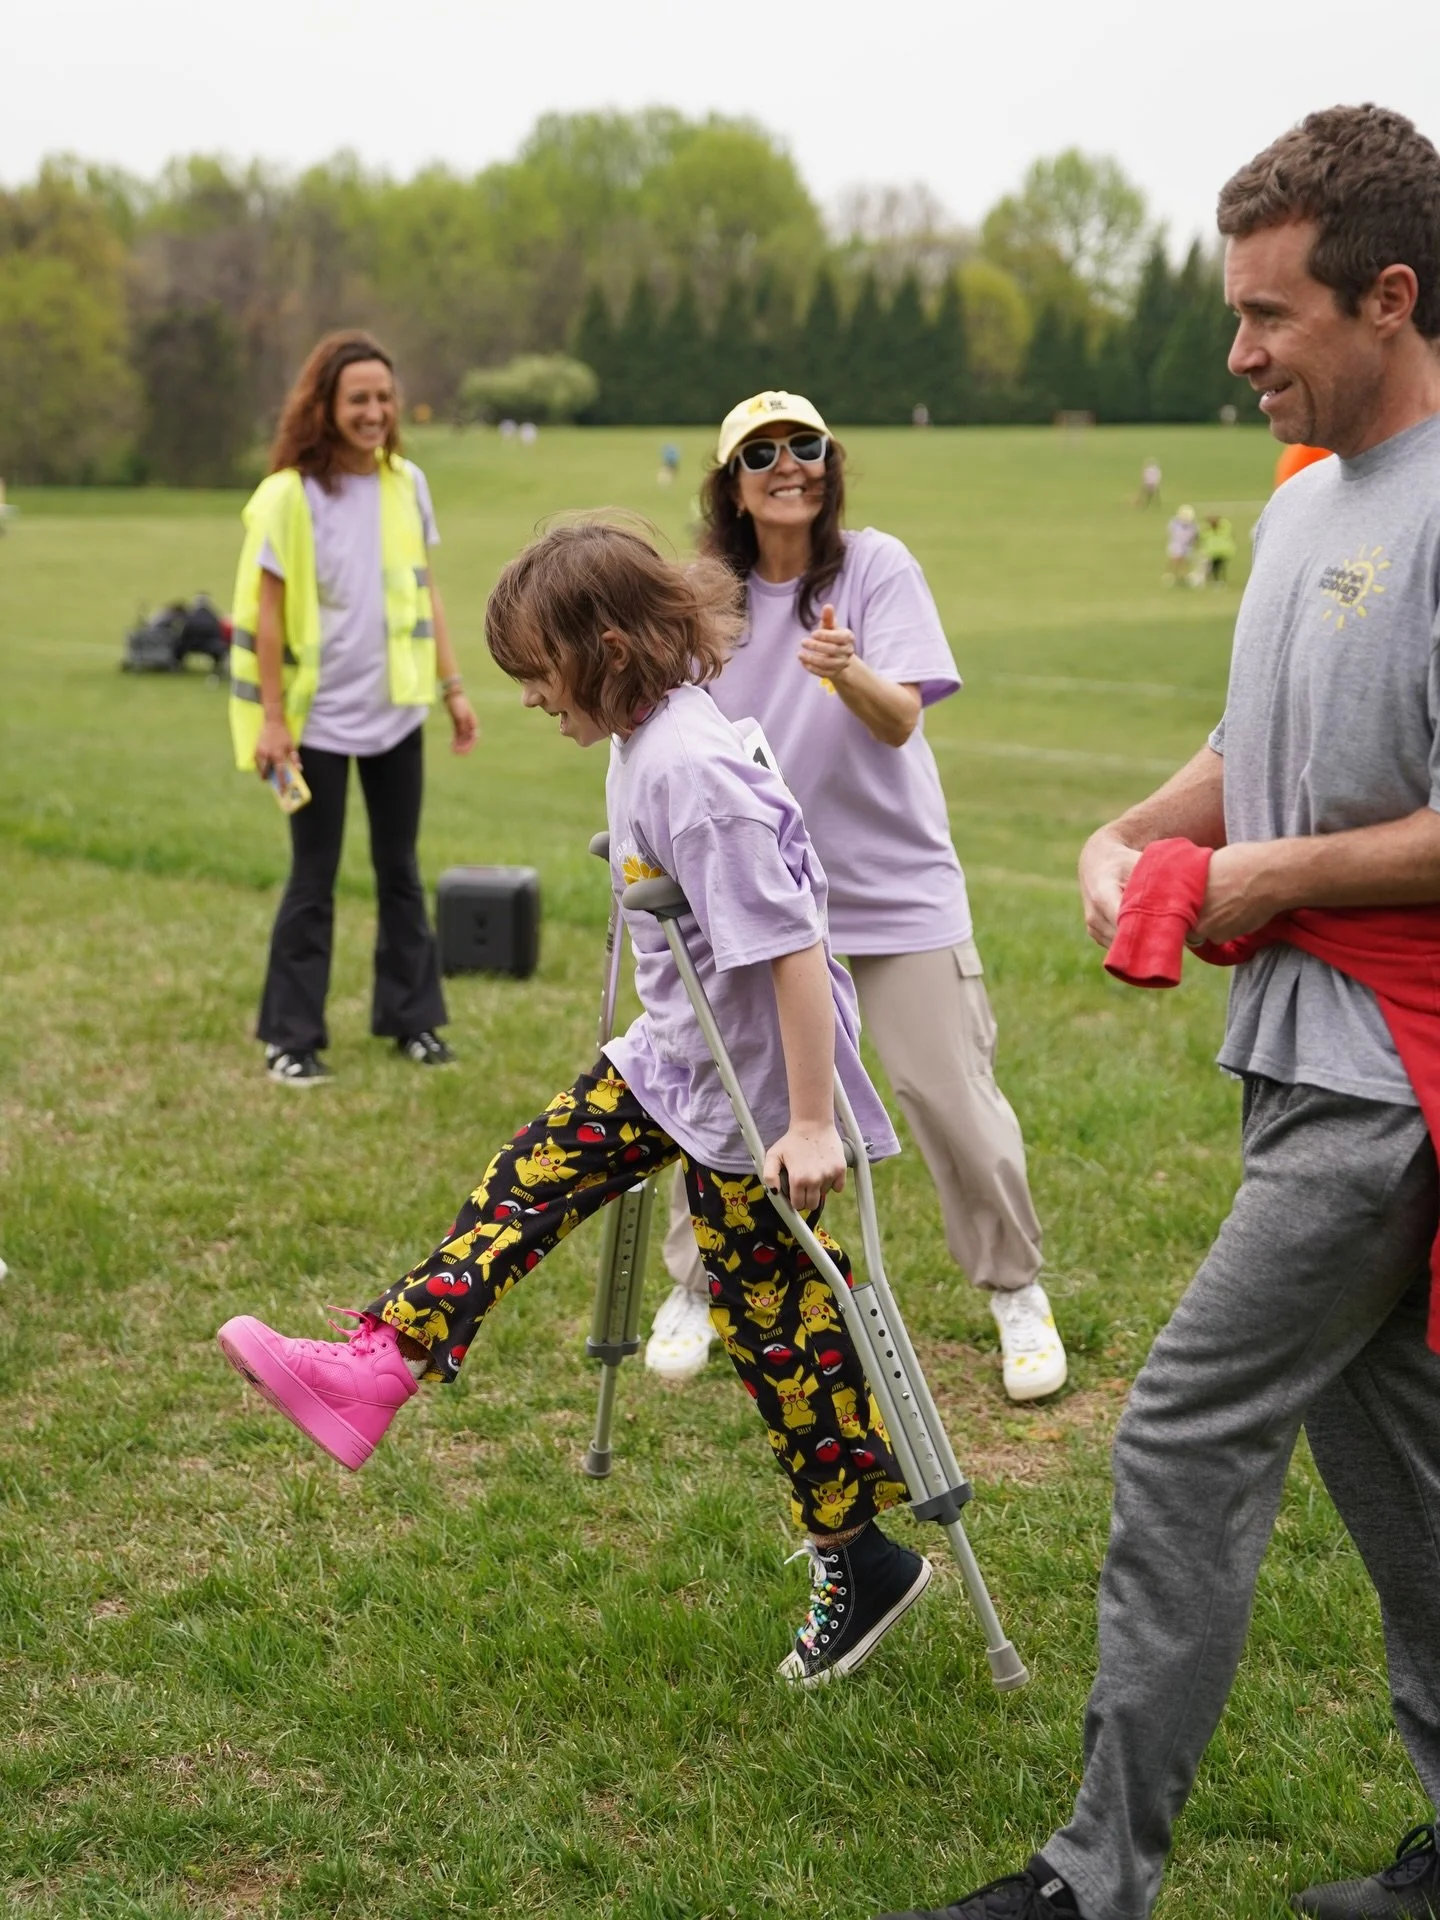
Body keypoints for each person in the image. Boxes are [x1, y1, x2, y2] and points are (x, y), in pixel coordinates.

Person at [877, 103, 1440, 1920]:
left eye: (1273, 315)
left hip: (1398, 1077)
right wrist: (1145, 825)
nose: (1240, 352)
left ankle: (1093, 1874)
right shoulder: (1296, 509)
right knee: (1394, 1461)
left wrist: (1271, 882)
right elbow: (1246, 742)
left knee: (1187, 1420)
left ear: (1392, 298)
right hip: (1296, 1057)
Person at [219, 522, 935, 1688]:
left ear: (606, 650)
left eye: (537, 673)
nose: (532, 699)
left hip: (752, 1096)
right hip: (675, 1060)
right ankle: (377, 1366)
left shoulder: (693, 776)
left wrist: (811, 1122)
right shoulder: (648, 734)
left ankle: (863, 1561)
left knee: (775, 1327)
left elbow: (793, 949)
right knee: (529, 1178)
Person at [641, 389, 1067, 1407]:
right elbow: (662, 726)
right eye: (762, 454)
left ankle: (1017, 1293)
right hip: (761, 895)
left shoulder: (876, 567)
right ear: (732, 486)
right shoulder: (704, 593)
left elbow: (900, 721)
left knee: (949, 1095)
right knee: (727, 1096)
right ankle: (698, 1287)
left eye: (807, 446)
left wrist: (848, 670)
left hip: (893, 885)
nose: (789, 465)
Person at [229, 331, 478, 1086]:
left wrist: (453, 687)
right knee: (315, 876)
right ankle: (291, 1038)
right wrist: (274, 719)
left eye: (383, 398)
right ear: (325, 406)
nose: (374, 412)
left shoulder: (408, 483)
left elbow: (423, 588)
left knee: (400, 869)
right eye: (358, 399)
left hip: (396, 712)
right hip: (317, 723)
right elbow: (268, 616)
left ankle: (414, 1022)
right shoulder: (287, 495)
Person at [1162, 503, 1199, 585]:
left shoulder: (1193, 525)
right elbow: (1171, 532)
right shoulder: (1174, 522)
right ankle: (1171, 576)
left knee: (1185, 562)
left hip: (1187, 546)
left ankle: (1184, 578)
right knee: (1175, 560)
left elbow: (1195, 536)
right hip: (1177, 544)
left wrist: (1193, 543)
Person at [1198, 512, 1235, 585]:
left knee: (1221, 567)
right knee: (1214, 568)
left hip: (1223, 551)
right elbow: (1202, 536)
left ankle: (1222, 581)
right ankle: (1216, 581)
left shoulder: (1224, 527)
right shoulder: (1208, 530)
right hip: (1213, 552)